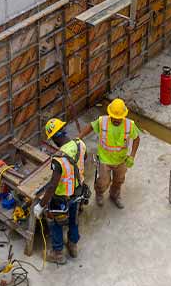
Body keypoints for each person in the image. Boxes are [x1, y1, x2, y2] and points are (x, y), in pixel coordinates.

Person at [33, 118, 88, 264]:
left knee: (55, 222)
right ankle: (73, 246)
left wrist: (41, 205)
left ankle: (58, 253)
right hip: (77, 192)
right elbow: (84, 160)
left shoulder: (58, 159)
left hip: (61, 198)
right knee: (73, 220)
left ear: (54, 138)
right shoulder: (80, 144)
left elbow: (52, 186)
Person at [78, 98, 140, 209]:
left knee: (119, 180)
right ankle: (99, 193)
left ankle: (114, 195)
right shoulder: (103, 121)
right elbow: (91, 126)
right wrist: (79, 137)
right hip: (104, 159)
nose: (116, 120)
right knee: (102, 181)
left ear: (123, 116)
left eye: (119, 118)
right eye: (114, 118)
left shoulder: (129, 125)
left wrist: (132, 156)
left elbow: (136, 138)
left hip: (121, 160)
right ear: (109, 114)